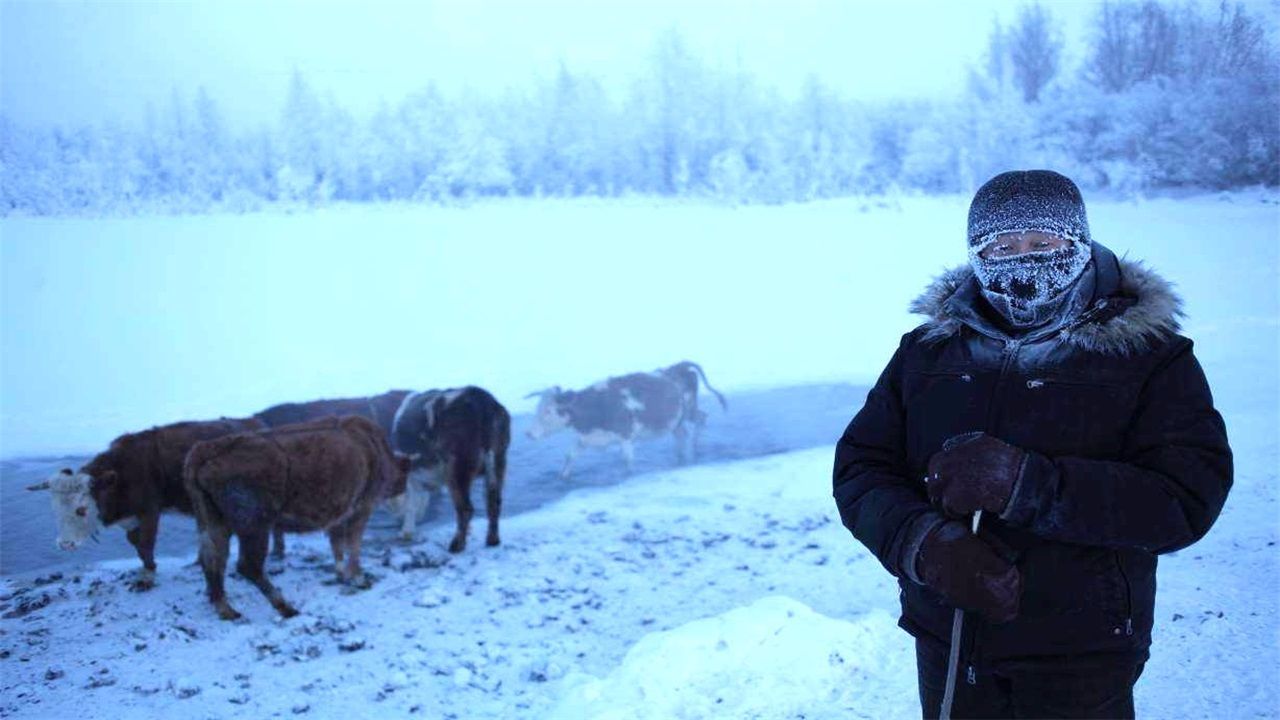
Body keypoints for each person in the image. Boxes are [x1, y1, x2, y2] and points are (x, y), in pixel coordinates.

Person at [832, 170, 1233, 719]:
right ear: (977, 255)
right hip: (949, 640)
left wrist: (1028, 485)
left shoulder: (1150, 357)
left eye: (1044, 244)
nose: (1024, 262)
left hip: (1082, 653)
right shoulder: (928, 353)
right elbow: (861, 468)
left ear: (1080, 243)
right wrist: (923, 545)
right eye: (1002, 246)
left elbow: (1186, 499)